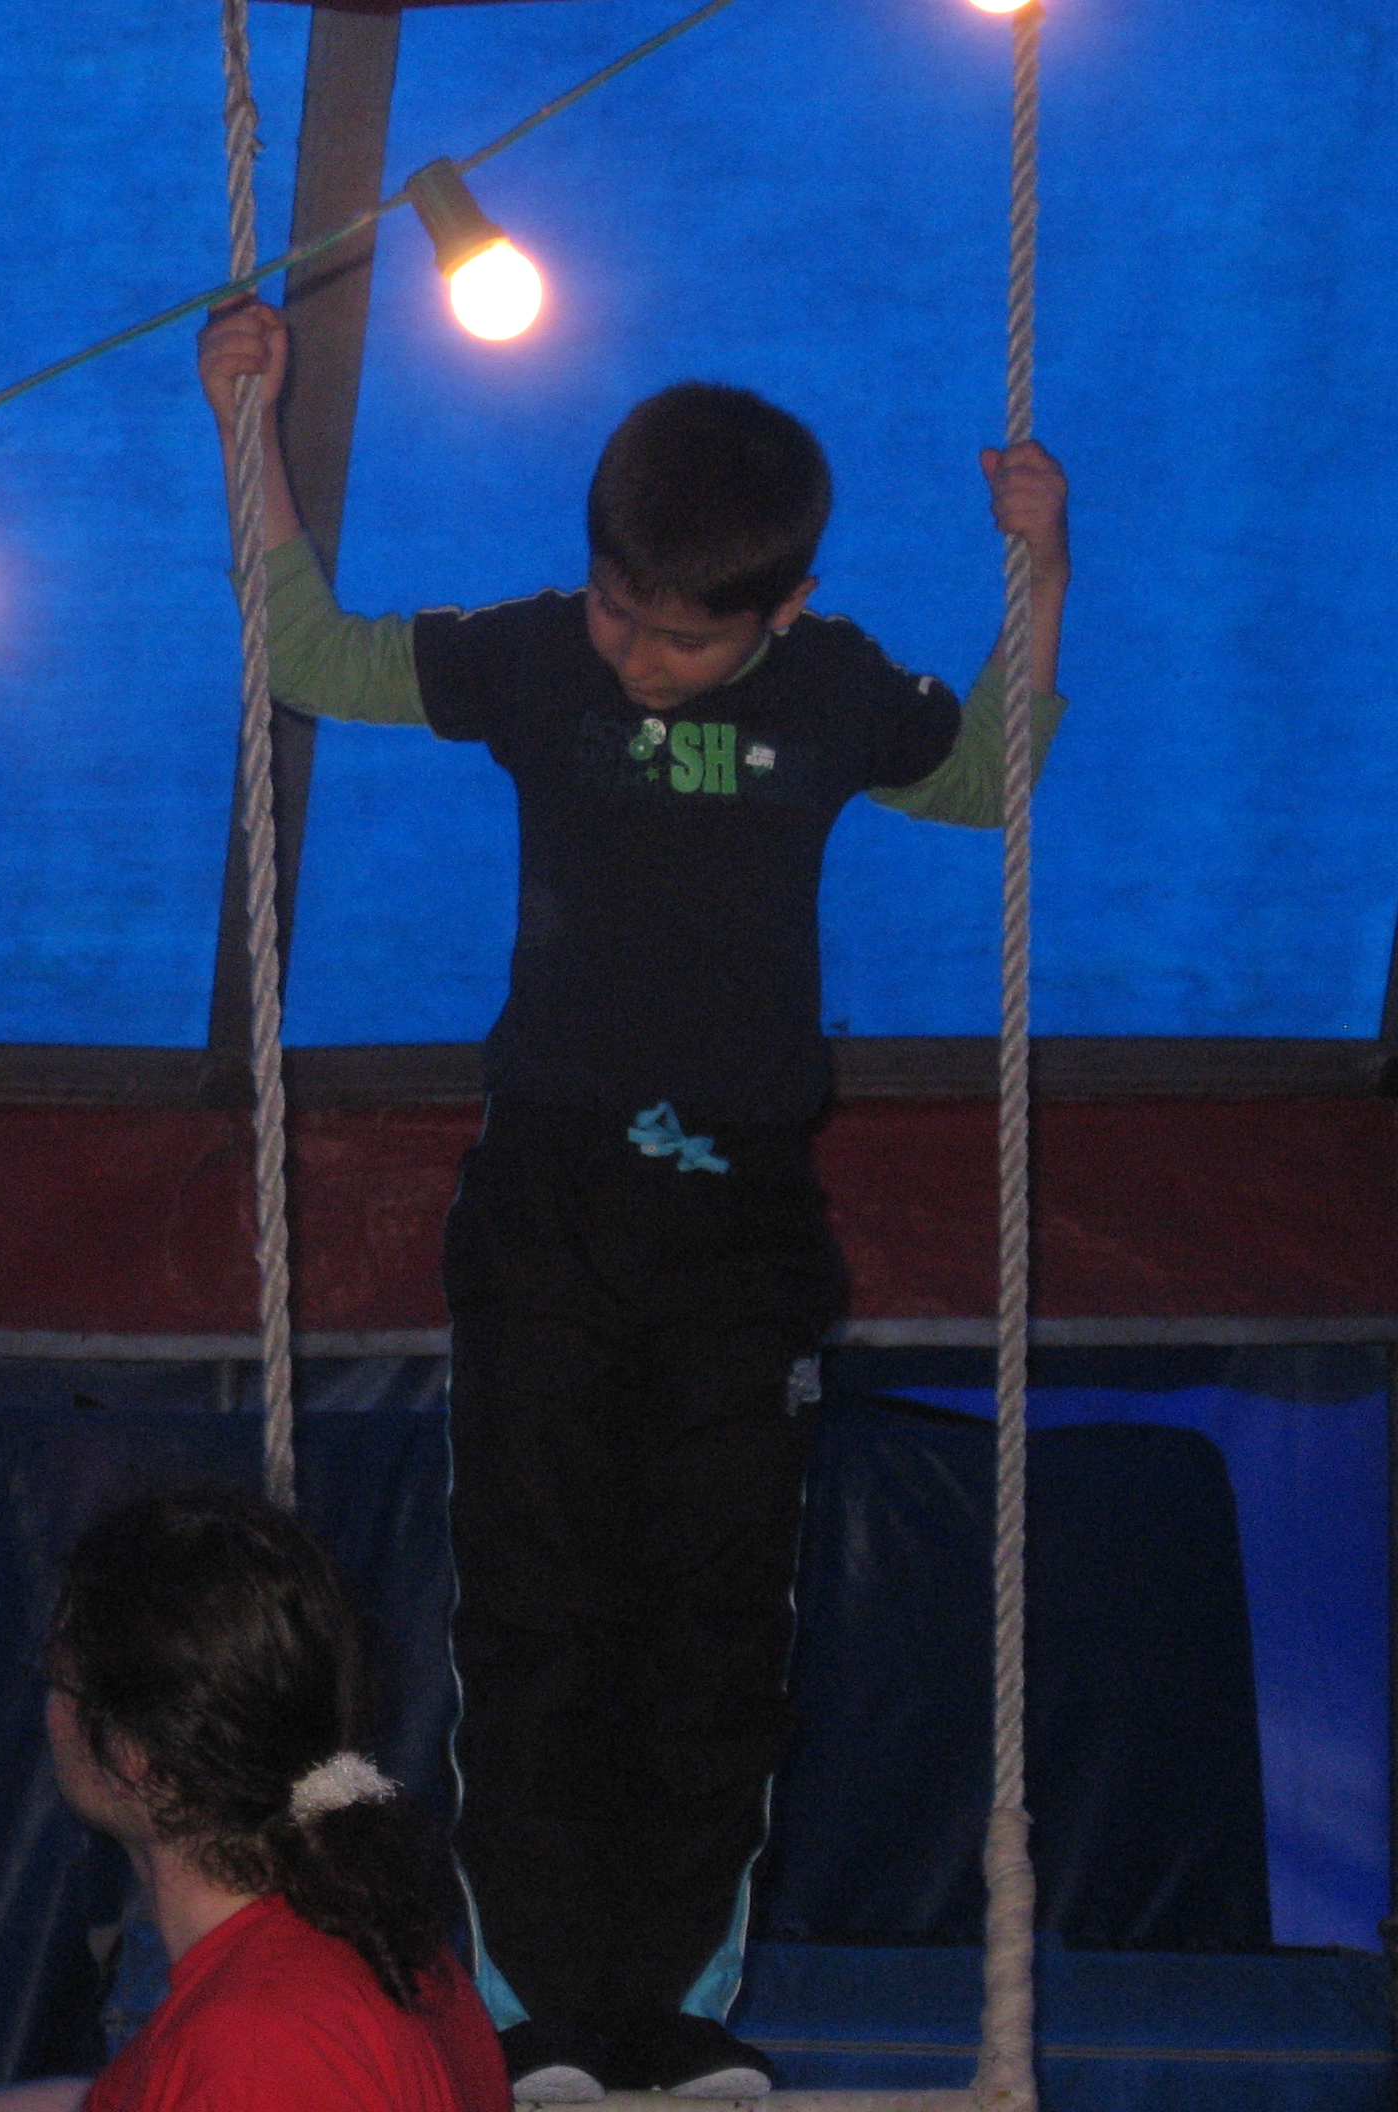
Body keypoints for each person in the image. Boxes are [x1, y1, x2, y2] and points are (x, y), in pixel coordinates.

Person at [197, 301, 1071, 2103]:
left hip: (743, 1230)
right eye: (617, 611)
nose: (637, 657)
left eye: (679, 638)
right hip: (550, 1206)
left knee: (711, 1623)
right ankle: (536, 2011)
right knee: (534, 1612)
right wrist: (249, 423)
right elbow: (310, 654)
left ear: (781, 609)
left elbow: (988, 780)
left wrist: (1043, 566)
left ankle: (673, 2008)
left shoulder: (834, 689)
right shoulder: (538, 661)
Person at [0, 1485, 511, 2112]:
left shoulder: (264, 2044)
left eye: (59, 1679)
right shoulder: (367, 1955)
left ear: (131, 1752)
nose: (48, 1710)